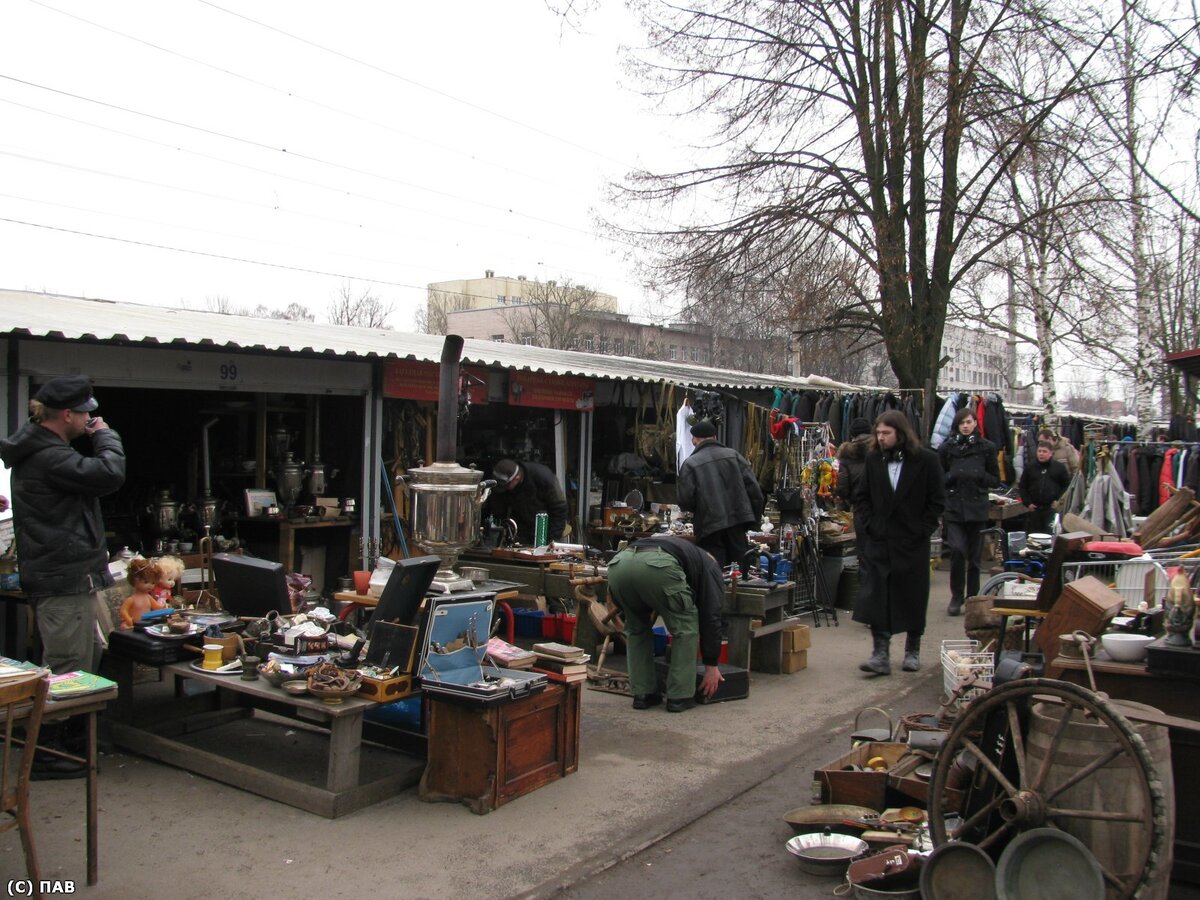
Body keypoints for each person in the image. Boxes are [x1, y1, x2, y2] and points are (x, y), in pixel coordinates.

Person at [0, 375, 125, 779]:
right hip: (63, 578)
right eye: (87, 412)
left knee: (80, 663)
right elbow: (109, 474)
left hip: (70, 577)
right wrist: (106, 435)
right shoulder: (49, 457)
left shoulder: (40, 446)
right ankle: (49, 752)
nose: (92, 418)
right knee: (67, 668)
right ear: (68, 414)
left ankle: (72, 742)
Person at [852, 410, 945, 675]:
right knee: (877, 595)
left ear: (900, 433)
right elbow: (862, 496)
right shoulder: (873, 460)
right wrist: (870, 524)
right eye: (878, 433)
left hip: (912, 540)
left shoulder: (926, 461)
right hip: (880, 540)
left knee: (913, 595)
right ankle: (880, 653)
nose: (881, 438)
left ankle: (912, 649)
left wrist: (922, 529)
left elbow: (937, 500)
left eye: (886, 433)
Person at [605, 534, 725, 713]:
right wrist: (712, 666)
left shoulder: (686, 551)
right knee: (685, 628)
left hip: (619, 564)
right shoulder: (711, 567)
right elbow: (711, 616)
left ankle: (643, 694)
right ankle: (679, 696)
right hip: (657, 566)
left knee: (636, 629)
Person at [676, 419, 764, 569]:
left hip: (709, 527)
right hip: (737, 524)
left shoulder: (690, 463)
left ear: (694, 440)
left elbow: (685, 501)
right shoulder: (734, 456)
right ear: (715, 437)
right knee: (740, 572)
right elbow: (755, 492)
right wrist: (753, 522)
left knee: (713, 573)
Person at [938, 409, 1001, 617]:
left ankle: (972, 597)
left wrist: (979, 475)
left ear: (975, 423)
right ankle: (956, 596)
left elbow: (995, 478)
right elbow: (939, 475)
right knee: (956, 550)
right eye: (961, 423)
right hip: (954, 507)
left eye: (968, 422)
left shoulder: (987, 448)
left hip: (977, 507)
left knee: (974, 557)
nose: (965, 426)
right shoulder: (948, 447)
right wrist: (951, 478)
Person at [487, 458, 568, 546]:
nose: (504, 489)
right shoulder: (502, 483)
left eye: (507, 486)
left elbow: (559, 508)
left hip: (545, 528)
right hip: (520, 530)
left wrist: (553, 539)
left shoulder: (544, 478)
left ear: (517, 478)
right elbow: (498, 509)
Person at [1019, 441, 1070, 535]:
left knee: (1050, 536)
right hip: (1034, 510)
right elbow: (1022, 486)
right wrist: (1027, 503)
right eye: (1039, 451)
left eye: (1044, 451)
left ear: (1051, 453)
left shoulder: (1059, 468)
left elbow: (1066, 486)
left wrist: (1059, 501)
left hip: (1051, 509)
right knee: (1033, 537)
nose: (1041, 454)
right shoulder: (1030, 467)